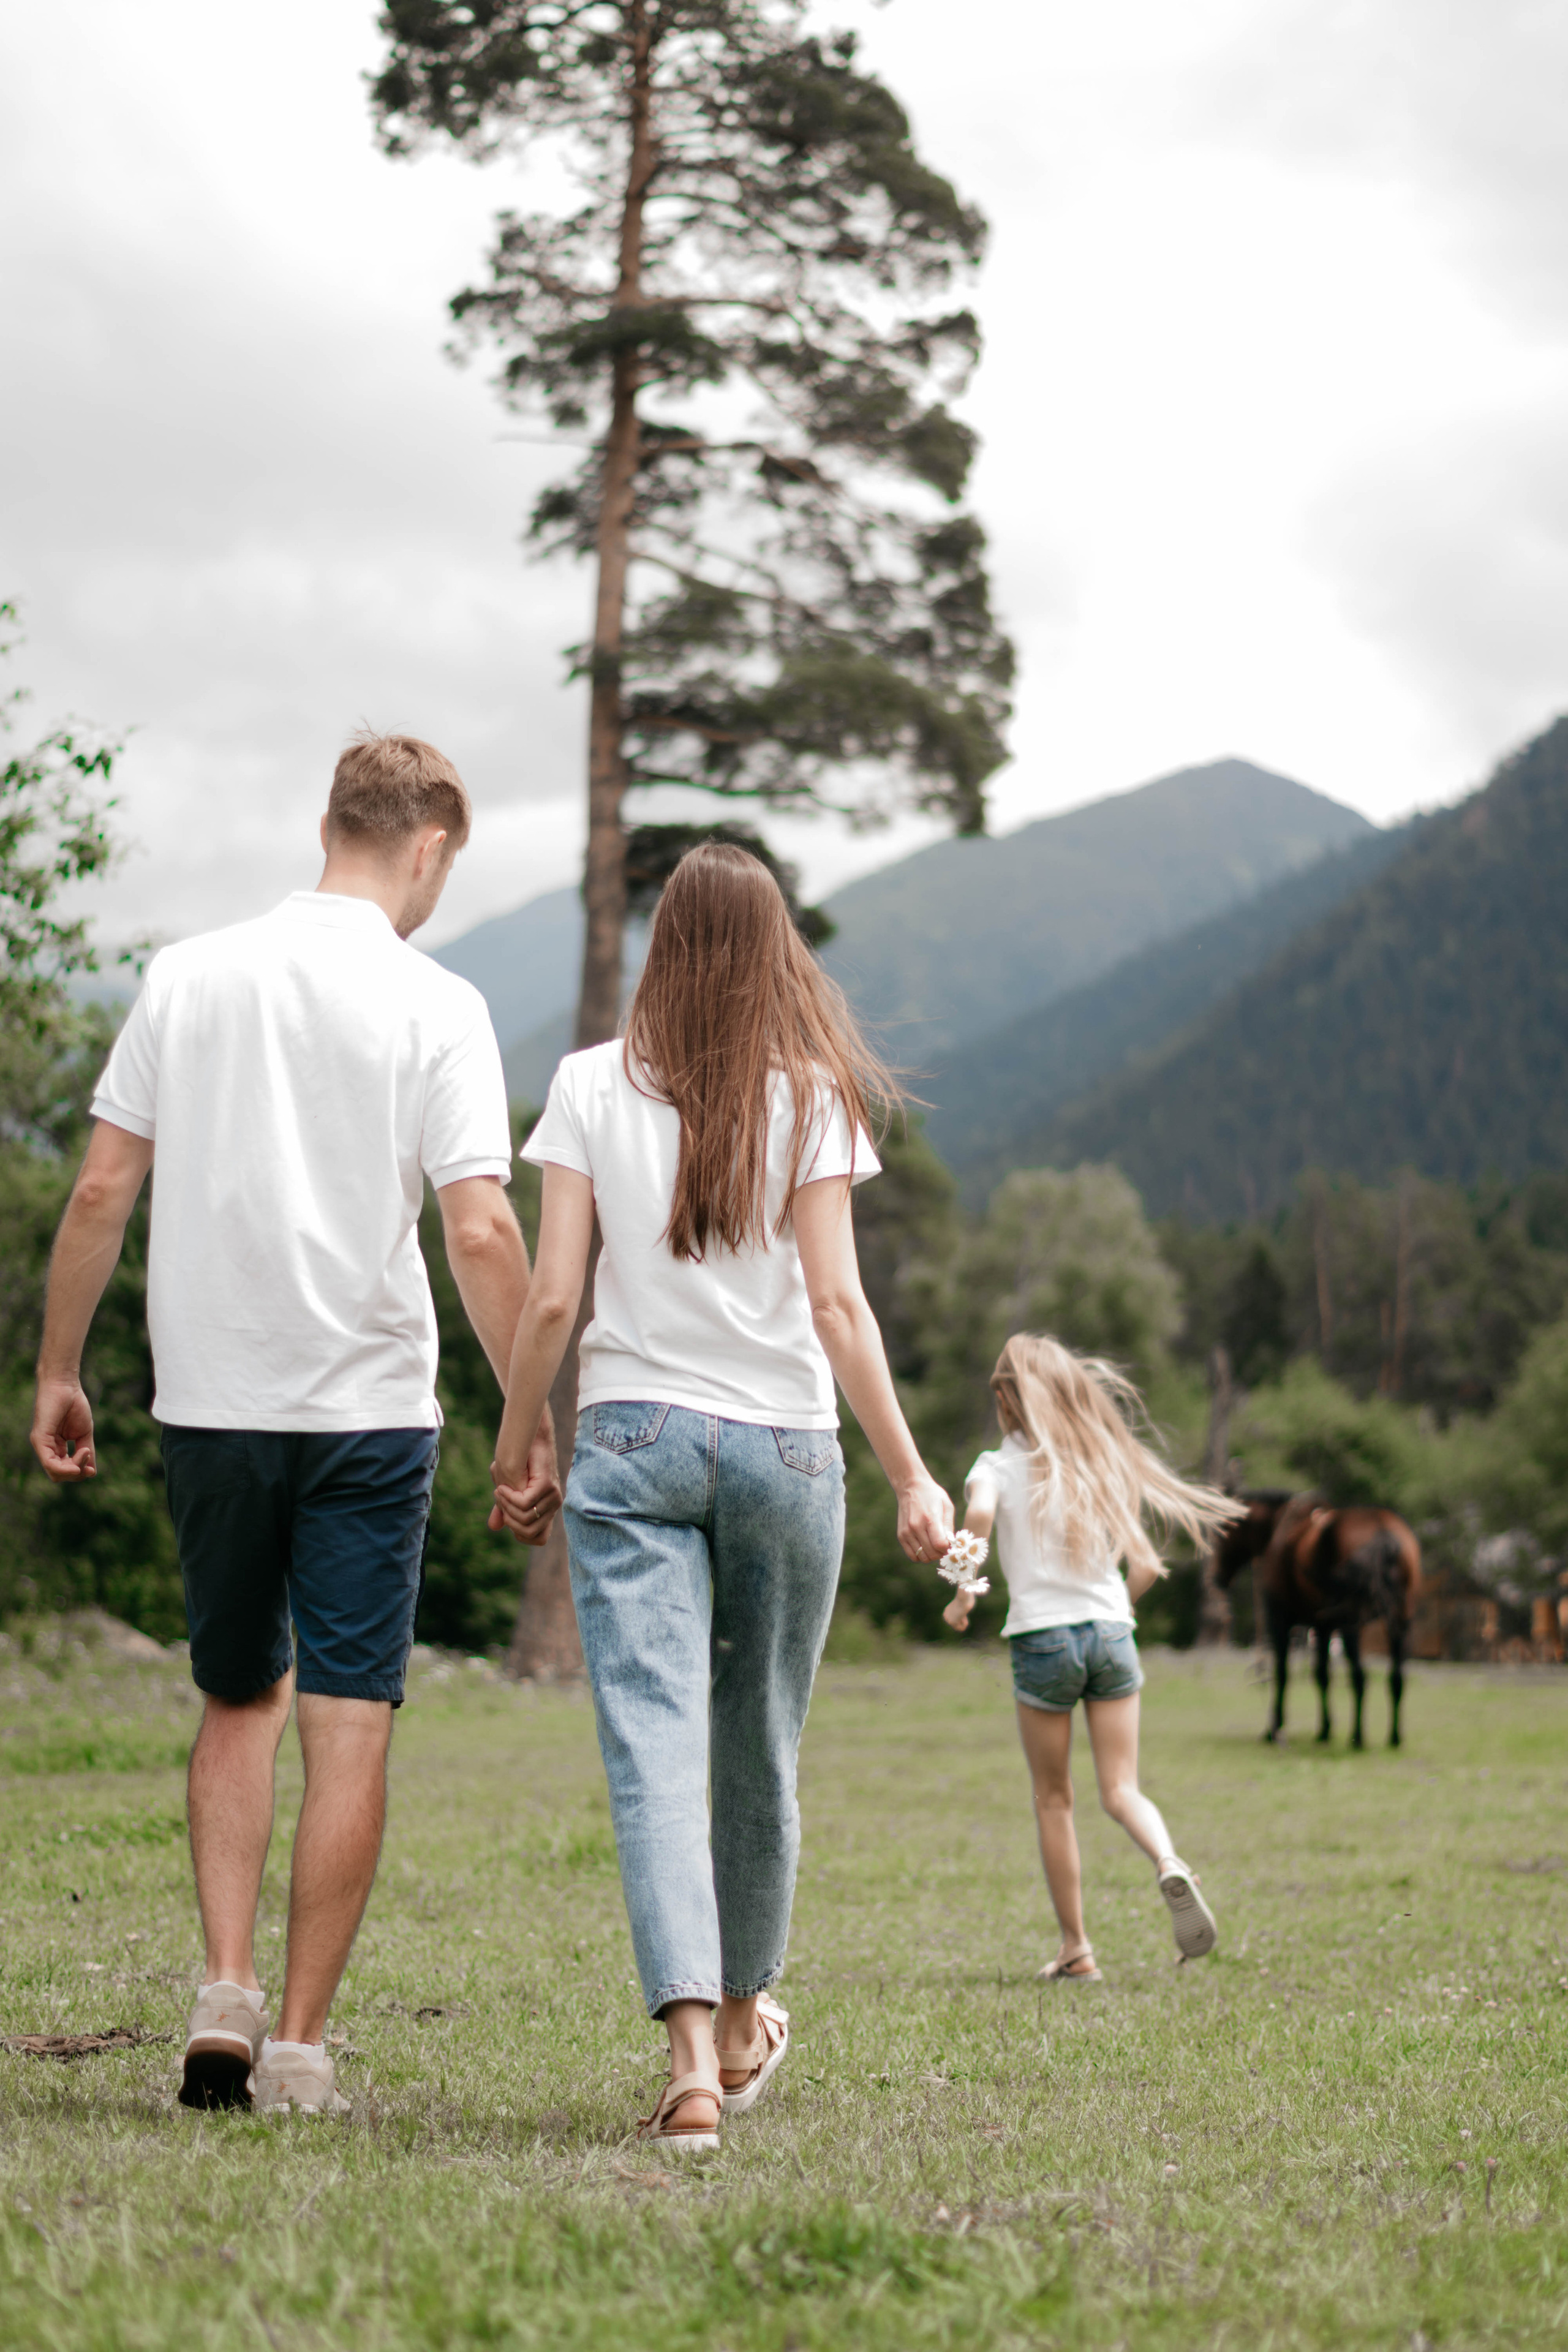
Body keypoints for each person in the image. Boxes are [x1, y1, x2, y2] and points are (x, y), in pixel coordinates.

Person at [29, 732, 560, 2116]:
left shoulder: (188, 975)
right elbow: (481, 1229)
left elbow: (100, 1192)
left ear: (329, 825)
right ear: (429, 847)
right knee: (348, 1716)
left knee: (236, 1695)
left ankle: (224, 1991)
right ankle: (304, 2049)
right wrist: (527, 1416)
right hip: (369, 1415)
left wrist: (58, 1369)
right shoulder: (438, 1003)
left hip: (211, 1402)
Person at [487, 842, 953, 2150]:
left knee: (652, 1748)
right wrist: (911, 1474)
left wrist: (518, 1446)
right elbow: (838, 1307)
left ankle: (693, 2063)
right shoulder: (815, 1095)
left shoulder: (587, 1083)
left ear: (663, 942)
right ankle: (746, 2024)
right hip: (786, 1451)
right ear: (772, 951)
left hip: (631, 1440)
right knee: (759, 1744)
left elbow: (554, 1298)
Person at [942, 1333, 1239, 1980]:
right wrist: (1112, 1615)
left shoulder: (995, 1466)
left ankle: (1076, 1949)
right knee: (1122, 1789)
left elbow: (979, 1517)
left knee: (1055, 1799)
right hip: (1111, 1633)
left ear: (1006, 1397)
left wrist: (963, 1592)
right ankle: (1169, 1861)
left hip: (1042, 1639)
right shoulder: (1100, 1462)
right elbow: (1145, 1568)